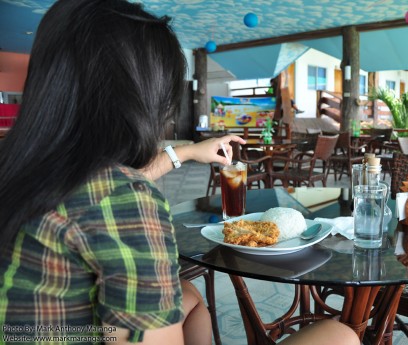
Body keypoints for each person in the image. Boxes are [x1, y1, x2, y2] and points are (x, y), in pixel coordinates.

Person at [0, 1, 359, 344]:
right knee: (340, 334)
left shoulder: (21, 164)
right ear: (143, 98)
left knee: (187, 296)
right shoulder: (125, 200)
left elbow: (104, 188)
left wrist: (186, 152)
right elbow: (115, 194)